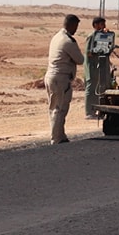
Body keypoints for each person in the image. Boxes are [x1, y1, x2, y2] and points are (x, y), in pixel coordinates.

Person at [46, 15, 83, 144]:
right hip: (60, 78)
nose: (76, 29)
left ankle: (60, 135)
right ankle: (56, 138)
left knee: (54, 107)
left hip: (51, 76)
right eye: (76, 26)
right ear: (72, 25)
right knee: (59, 108)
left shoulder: (56, 37)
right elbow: (80, 59)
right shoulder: (68, 41)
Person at [84, 16, 115, 119]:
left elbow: (107, 50)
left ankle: (100, 110)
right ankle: (89, 112)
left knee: (102, 88)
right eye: (102, 24)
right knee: (91, 88)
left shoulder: (103, 35)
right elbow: (88, 52)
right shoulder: (92, 36)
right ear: (95, 25)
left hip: (102, 65)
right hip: (93, 66)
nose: (104, 27)